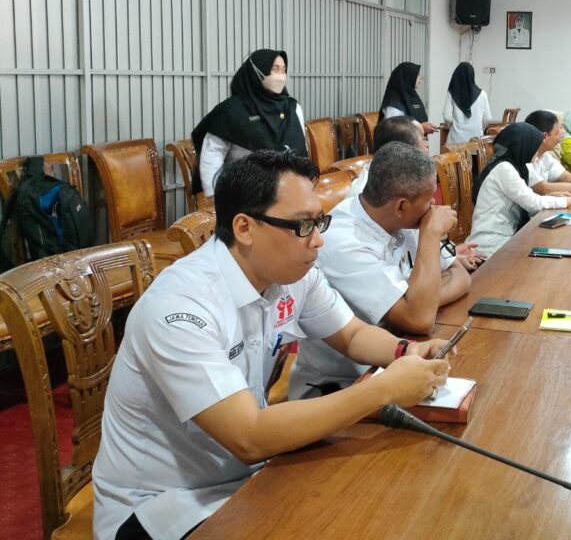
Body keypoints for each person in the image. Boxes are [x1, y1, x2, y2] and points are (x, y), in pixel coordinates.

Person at [92, 150, 450, 540]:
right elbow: (249, 436)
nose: (318, 240)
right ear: (245, 228)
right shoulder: (181, 309)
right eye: (303, 225)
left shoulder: (292, 273)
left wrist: (405, 351)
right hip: (163, 505)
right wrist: (381, 391)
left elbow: (351, 334)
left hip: (245, 473)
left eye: (319, 222)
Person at [289, 142, 472, 399]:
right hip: (341, 385)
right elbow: (420, 319)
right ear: (401, 206)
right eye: (429, 198)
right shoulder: (344, 241)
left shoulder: (406, 219)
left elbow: (461, 276)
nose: (433, 205)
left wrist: (423, 301)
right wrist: (430, 237)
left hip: (392, 360)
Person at [350, 116, 484, 269]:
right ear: (404, 150)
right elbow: (404, 273)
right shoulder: (379, 196)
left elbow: (414, 243)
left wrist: (447, 256)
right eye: (422, 138)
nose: (427, 145)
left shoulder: (400, 182)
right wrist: (447, 261)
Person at [191, 49, 307, 196]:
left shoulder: (292, 107)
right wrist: (215, 196)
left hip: (290, 188)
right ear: (256, 72)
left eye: (283, 70)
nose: (281, 76)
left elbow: (300, 146)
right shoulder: (231, 111)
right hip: (246, 192)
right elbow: (212, 154)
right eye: (275, 69)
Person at [468, 123, 571, 256]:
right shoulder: (504, 169)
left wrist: (553, 197)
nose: (537, 152)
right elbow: (533, 203)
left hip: (509, 238)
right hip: (491, 244)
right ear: (524, 147)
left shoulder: (517, 166)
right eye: (535, 147)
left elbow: (528, 197)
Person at [524, 110, 571, 196]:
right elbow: (544, 188)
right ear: (545, 136)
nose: (563, 132)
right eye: (557, 132)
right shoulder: (524, 159)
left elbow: (565, 175)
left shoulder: (545, 156)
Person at [379, 61, 438, 134]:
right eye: (417, 76)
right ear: (407, 77)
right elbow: (392, 129)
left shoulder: (411, 96)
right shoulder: (394, 103)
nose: (419, 79)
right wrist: (420, 127)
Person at [441, 62, 491, 143]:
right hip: (476, 141)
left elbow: (447, 117)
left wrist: (453, 127)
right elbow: (487, 118)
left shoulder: (452, 93)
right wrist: (479, 128)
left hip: (455, 140)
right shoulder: (482, 94)